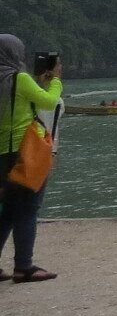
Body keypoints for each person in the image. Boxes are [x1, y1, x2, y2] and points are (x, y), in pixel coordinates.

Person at [0, 34, 62, 282]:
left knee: (7, 210)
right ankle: (23, 266)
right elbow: (49, 101)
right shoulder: (19, 78)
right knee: (28, 209)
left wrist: (39, 83)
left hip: (1, 156)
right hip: (24, 152)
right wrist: (55, 80)